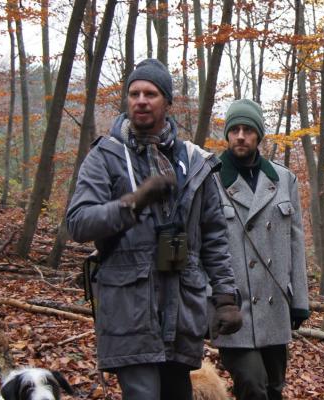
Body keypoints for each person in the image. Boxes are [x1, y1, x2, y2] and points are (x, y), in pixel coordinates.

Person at [66, 59, 242, 400]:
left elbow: (215, 237)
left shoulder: (195, 161)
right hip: (129, 305)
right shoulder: (105, 156)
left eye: (151, 93)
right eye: (134, 93)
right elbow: (79, 223)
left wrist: (225, 299)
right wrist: (134, 202)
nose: (141, 100)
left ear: (168, 103)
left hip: (182, 306)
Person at [211, 99, 310, 400]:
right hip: (232, 308)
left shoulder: (283, 180)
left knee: (274, 388)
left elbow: (296, 242)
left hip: (275, 304)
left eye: (248, 130)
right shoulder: (210, 179)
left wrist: (300, 301)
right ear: (227, 135)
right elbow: (203, 245)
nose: (241, 136)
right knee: (253, 384)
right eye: (235, 129)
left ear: (259, 136)